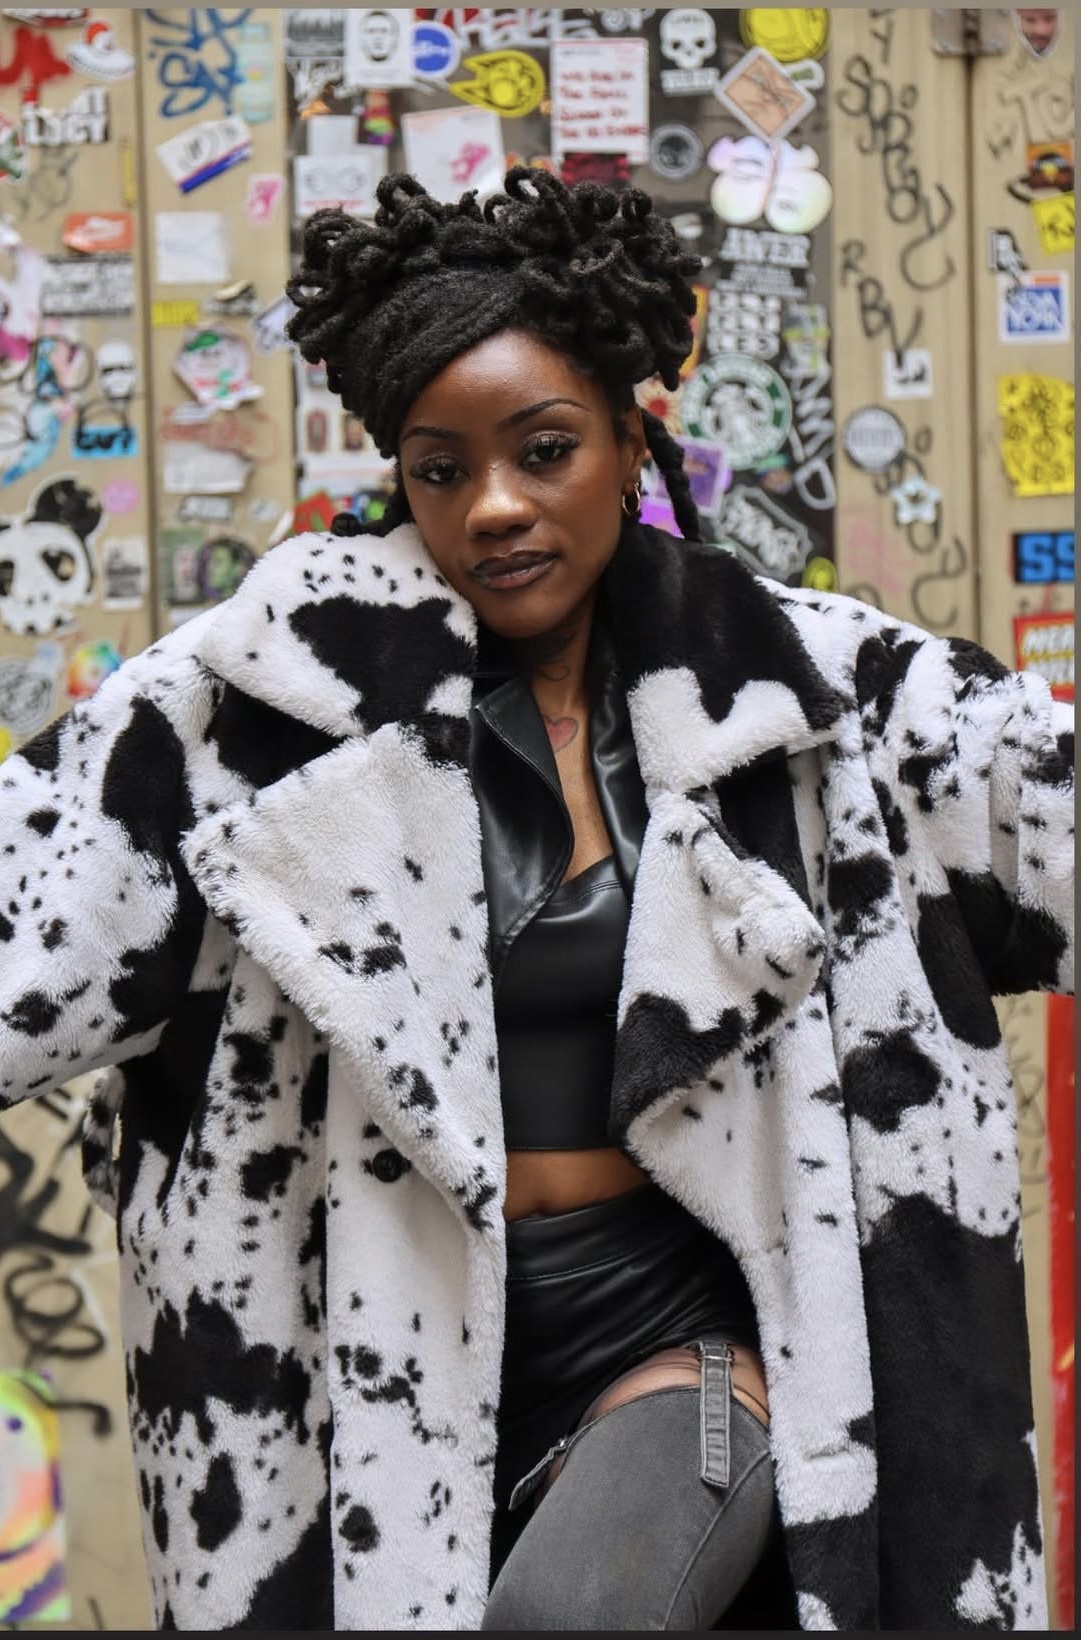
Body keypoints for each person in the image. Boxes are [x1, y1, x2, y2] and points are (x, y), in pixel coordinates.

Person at [0, 169, 1072, 1632]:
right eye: (439, 470)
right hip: (383, 1354)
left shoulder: (815, 695)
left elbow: (1046, 819)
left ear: (631, 438)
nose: (492, 504)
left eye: (543, 448)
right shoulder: (265, 715)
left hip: (690, 1340)